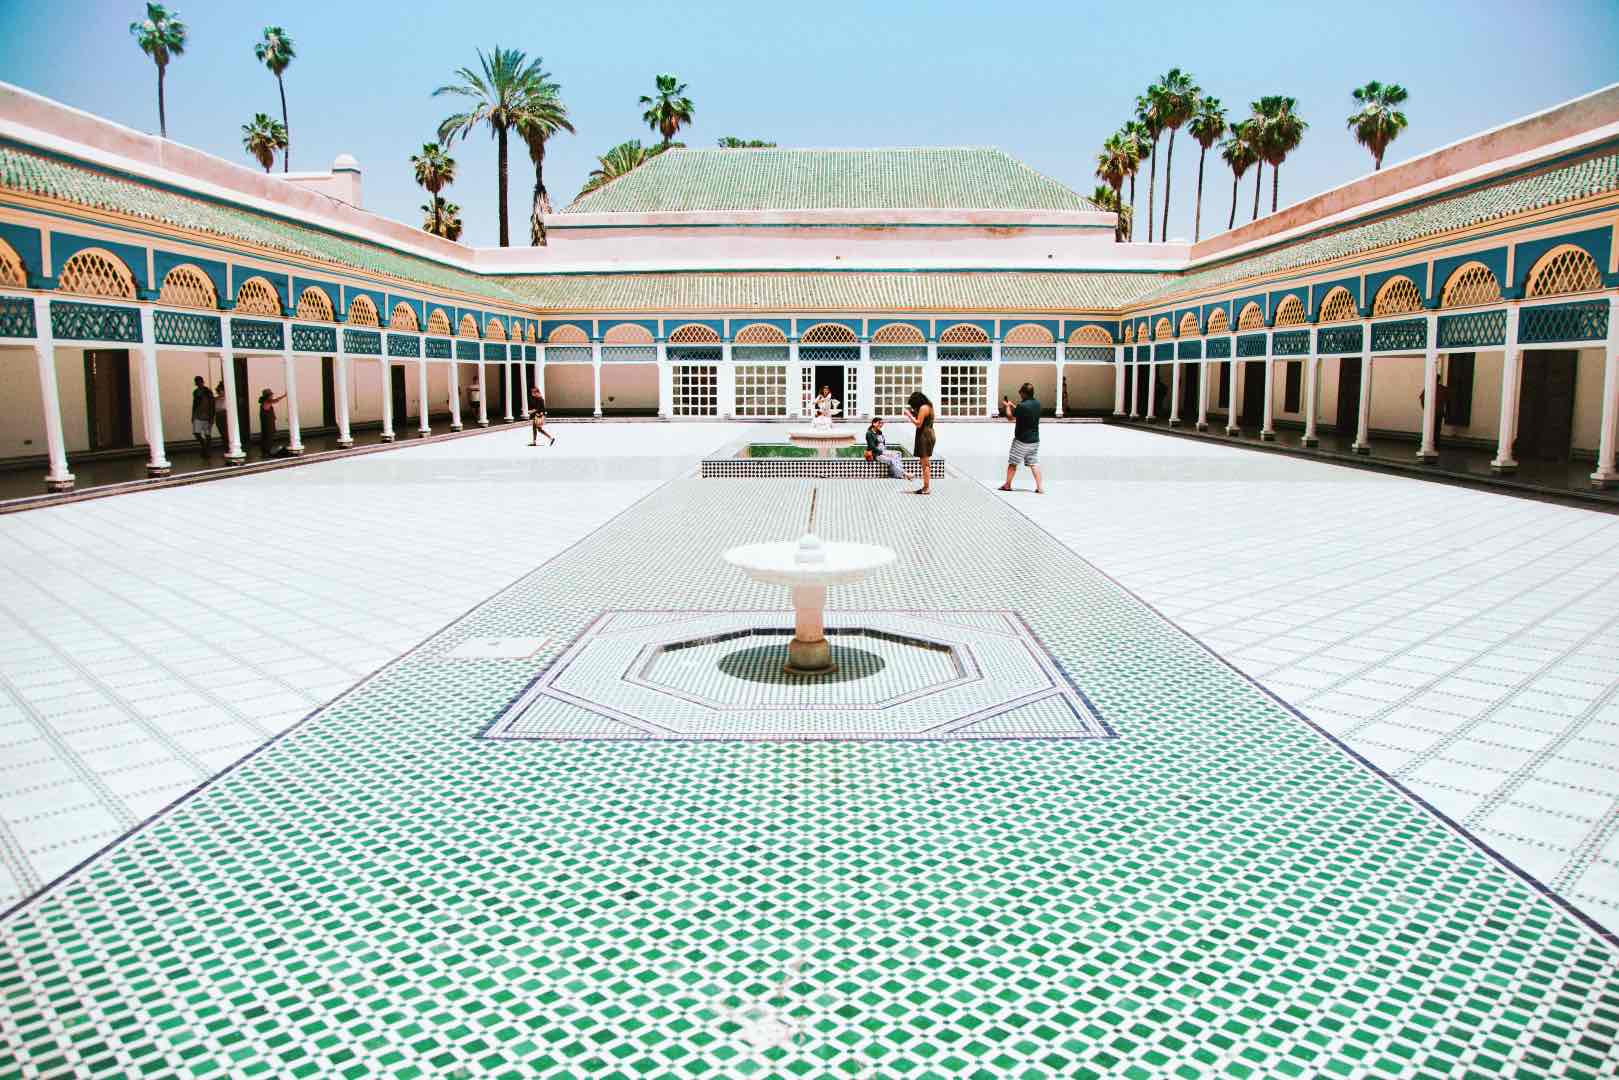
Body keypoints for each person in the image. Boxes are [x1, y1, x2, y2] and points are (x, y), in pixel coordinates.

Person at [999, 383, 1045, 494]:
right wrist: (1014, 405)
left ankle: (1007, 485)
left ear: (1024, 393)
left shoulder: (1022, 406)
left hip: (1021, 440)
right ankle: (1040, 487)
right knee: (1033, 463)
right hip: (1034, 440)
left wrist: (1007, 406)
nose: (1019, 394)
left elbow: (1010, 417)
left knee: (1013, 463)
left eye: (1020, 392)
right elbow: (1023, 412)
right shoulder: (1037, 404)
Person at [903, 390, 935, 495]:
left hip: (924, 436)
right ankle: (926, 487)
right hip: (929, 434)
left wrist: (909, 415)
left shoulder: (923, 408)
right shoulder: (929, 406)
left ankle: (926, 488)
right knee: (925, 463)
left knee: (925, 463)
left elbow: (918, 423)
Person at [190, 374, 215, 458]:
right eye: (197, 382)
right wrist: (193, 415)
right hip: (198, 415)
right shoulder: (195, 392)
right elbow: (194, 404)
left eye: (199, 382)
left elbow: (212, 404)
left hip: (207, 416)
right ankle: (204, 447)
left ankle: (207, 450)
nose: (198, 383)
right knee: (196, 433)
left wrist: (212, 417)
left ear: (202, 382)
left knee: (207, 434)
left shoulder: (208, 391)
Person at [257, 388, 286, 457]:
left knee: (267, 436)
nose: (272, 396)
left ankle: (266, 451)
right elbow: (276, 400)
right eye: (271, 395)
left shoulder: (265, 402)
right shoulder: (266, 402)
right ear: (268, 396)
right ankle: (267, 452)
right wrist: (284, 396)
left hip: (268, 423)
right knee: (268, 437)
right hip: (268, 424)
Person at [213, 381, 229, 448]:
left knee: (226, 432)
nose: (220, 392)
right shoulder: (216, 399)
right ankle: (225, 446)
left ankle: (228, 446)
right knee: (222, 432)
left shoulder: (228, 398)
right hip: (218, 416)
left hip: (225, 415)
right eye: (219, 391)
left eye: (222, 390)